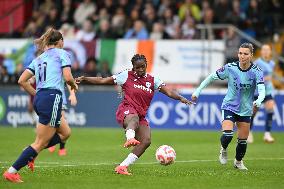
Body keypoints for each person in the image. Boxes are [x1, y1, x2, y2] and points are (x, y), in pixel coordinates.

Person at [75, 54, 193, 175]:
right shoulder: (126, 75)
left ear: (146, 65)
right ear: (133, 67)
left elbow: (168, 92)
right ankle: (130, 138)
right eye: (138, 67)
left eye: (143, 67)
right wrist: (85, 78)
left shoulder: (153, 80)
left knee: (146, 140)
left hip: (140, 115)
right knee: (134, 118)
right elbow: (103, 80)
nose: (141, 69)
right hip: (127, 109)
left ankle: (122, 166)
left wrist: (180, 98)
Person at [3, 28, 78, 183]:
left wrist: (37, 95)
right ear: (60, 42)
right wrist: (73, 85)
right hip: (52, 98)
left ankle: (30, 152)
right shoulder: (62, 53)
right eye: (63, 40)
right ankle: (12, 171)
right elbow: (68, 76)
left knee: (65, 132)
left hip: (41, 98)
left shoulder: (39, 58)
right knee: (40, 142)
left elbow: (22, 80)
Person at [192, 43, 265, 170]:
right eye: (240, 53)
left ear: (251, 55)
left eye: (246, 54)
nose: (242, 56)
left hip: (246, 109)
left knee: (242, 141)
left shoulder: (256, 71)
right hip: (229, 105)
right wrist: (198, 91)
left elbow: (262, 89)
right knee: (228, 135)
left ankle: (238, 162)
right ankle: (223, 149)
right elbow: (211, 77)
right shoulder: (230, 68)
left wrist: (259, 100)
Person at [248, 44, 277, 143]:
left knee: (270, 109)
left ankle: (267, 134)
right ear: (261, 52)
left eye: (267, 50)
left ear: (270, 52)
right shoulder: (257, 63)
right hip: (257, 91)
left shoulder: (272, 63)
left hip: (268, 90)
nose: (265, 51)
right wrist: (264, 79)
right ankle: (249, 132)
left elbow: (270, 77)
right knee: (253, 112)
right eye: (264, 50)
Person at [48, 85, 77, 156]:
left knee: (62, 123)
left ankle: (62, 147)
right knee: (51, 123)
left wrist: (72, 94)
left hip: (60, 98)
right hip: (48, 98)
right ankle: (51, 141)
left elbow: (69, 81)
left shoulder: (62, 73)